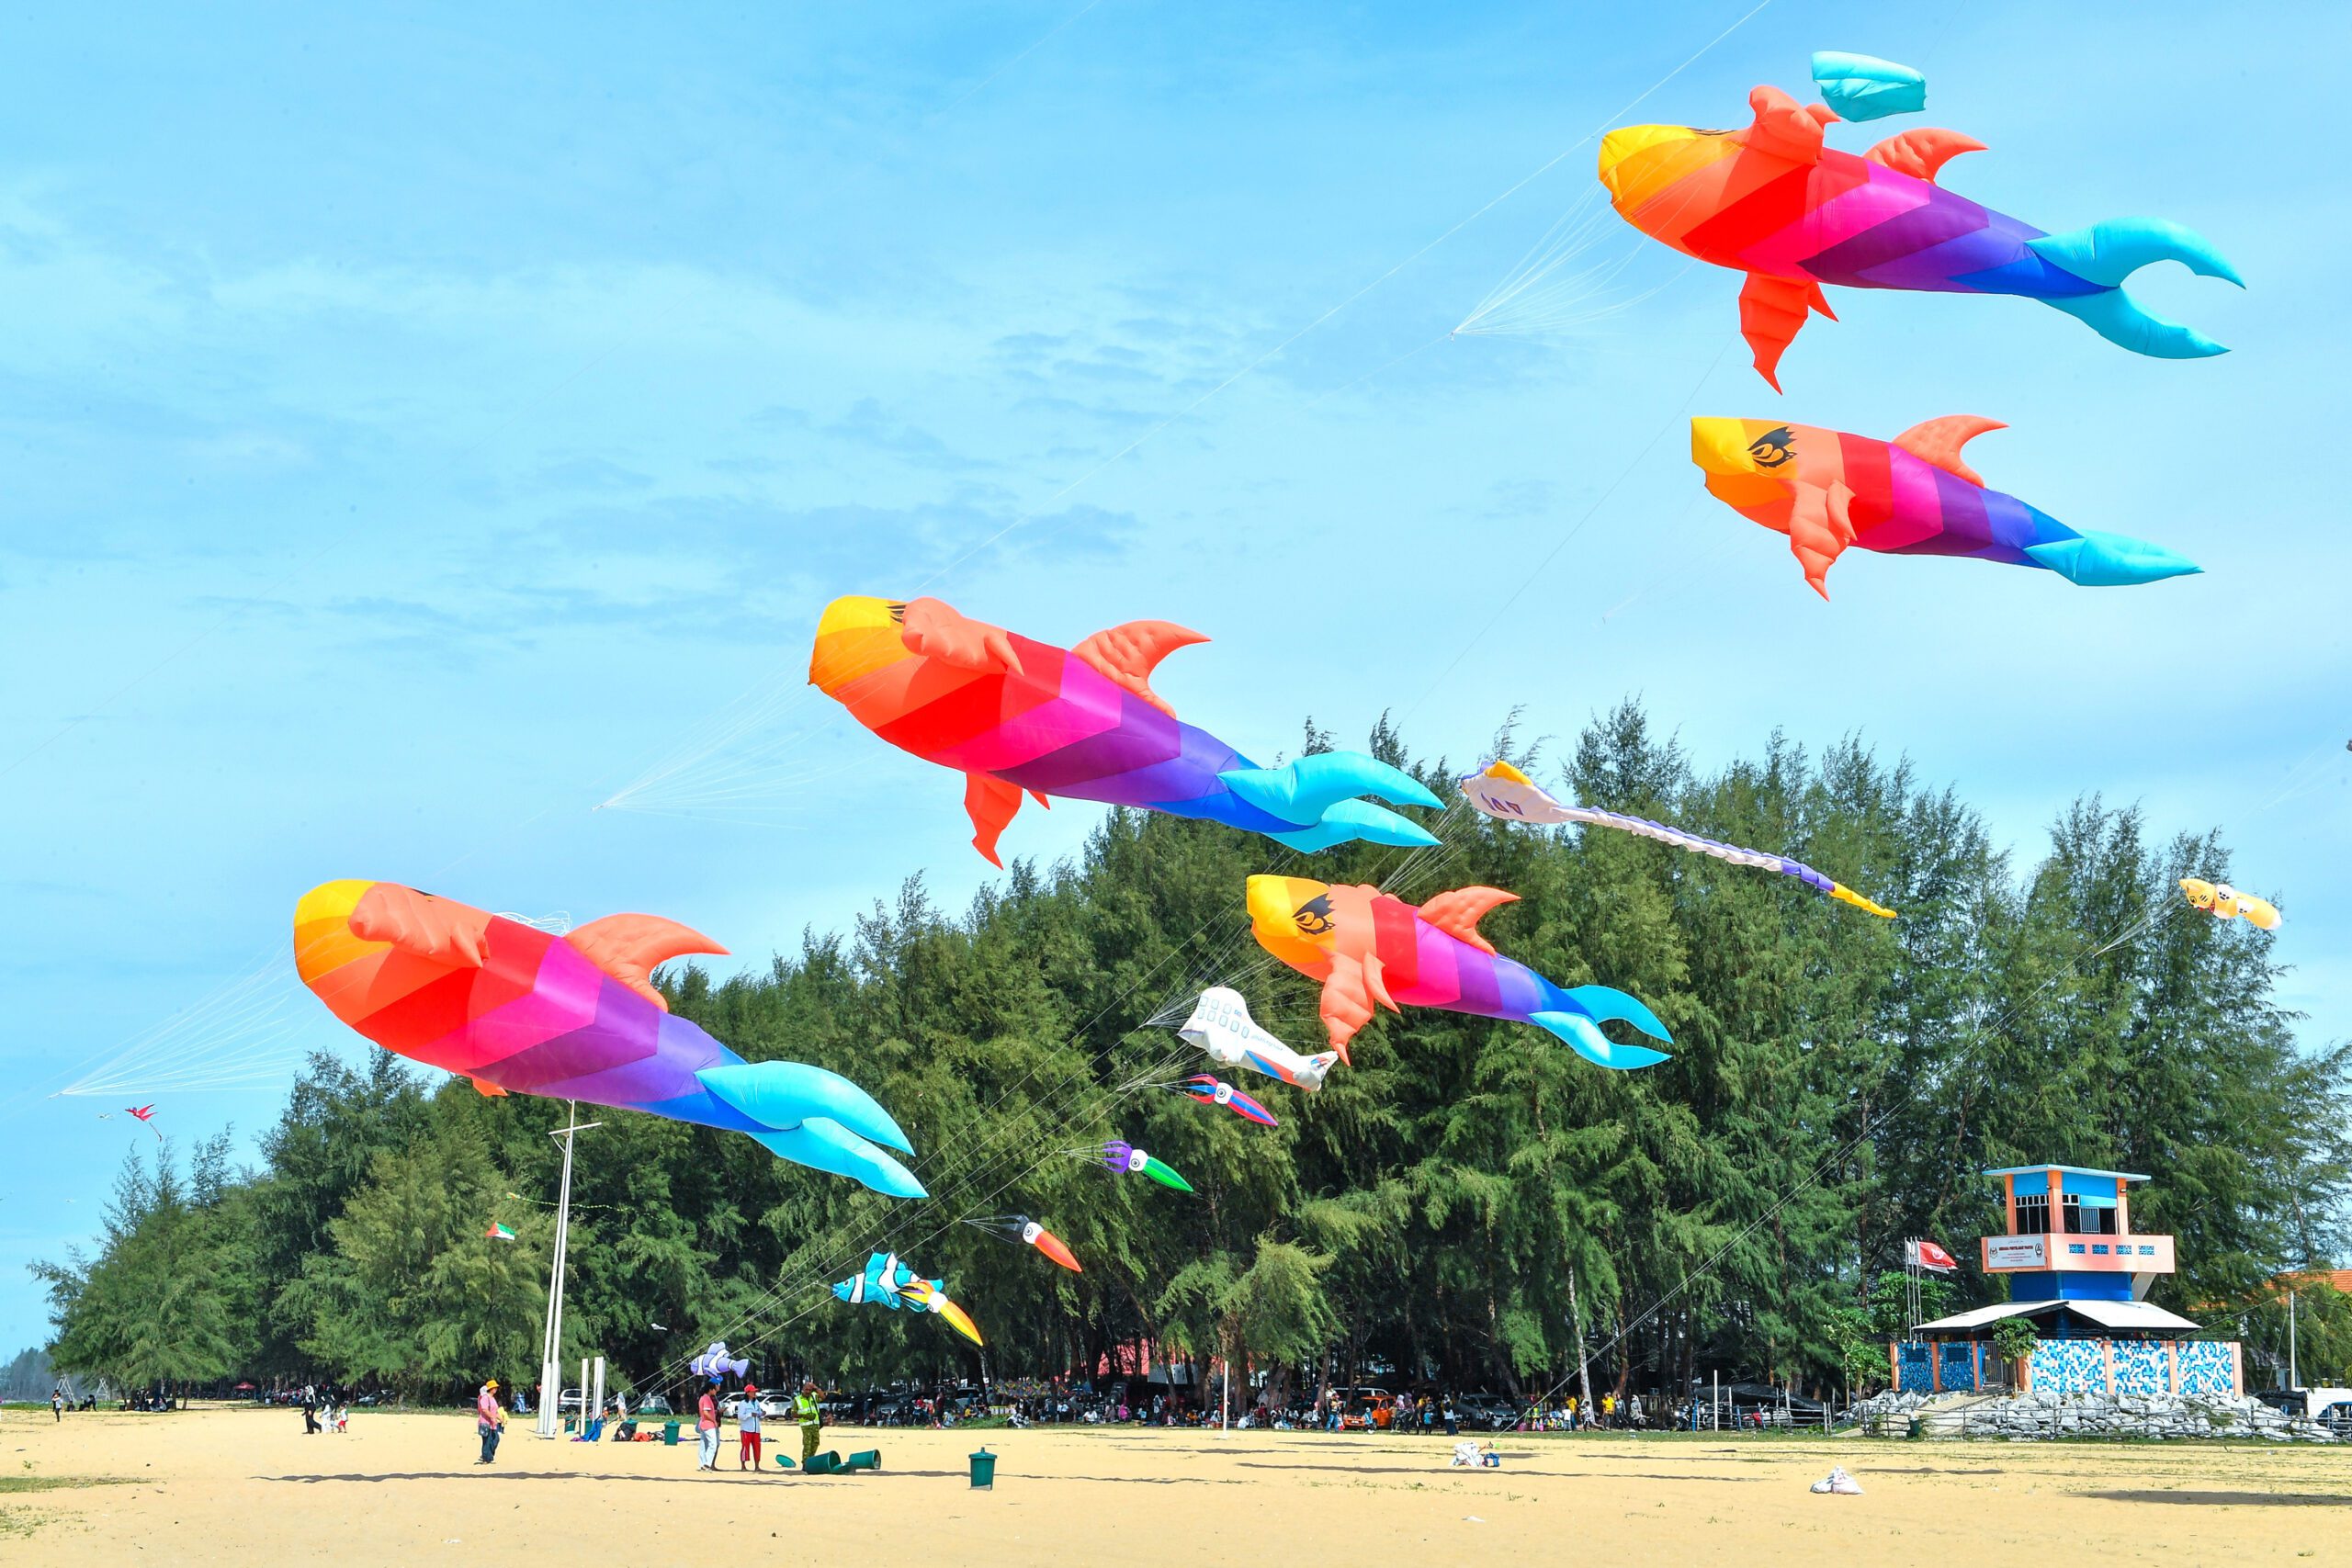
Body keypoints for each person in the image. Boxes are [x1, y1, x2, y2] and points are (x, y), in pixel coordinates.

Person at [476, 1380, 505, 1465]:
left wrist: (500, 1418)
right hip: (485, 1423)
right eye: (494, 1387)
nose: (496, 1389)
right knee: (487, 1441)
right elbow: (484, 1410)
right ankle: (486, 1458)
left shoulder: (493, 1398)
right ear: (490, 1388)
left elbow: (495, 1411)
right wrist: (492, 1417)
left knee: (496, 1439)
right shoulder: (485, 1398)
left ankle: (489, 1455)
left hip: (493, 1424)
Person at [794, 1380, 822, 1466]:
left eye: (810, 1390)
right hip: (806, 1426)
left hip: (815, 1425)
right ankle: (805, 1464)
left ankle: (811, 1461)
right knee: (807, 1445)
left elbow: (823, 1396)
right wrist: (805, 1416)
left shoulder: (813, 1396)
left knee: (815, 1443)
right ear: (802, 1389)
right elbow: (793, 1413)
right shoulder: (798, 1399)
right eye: (806, 1389)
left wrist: (816, 1388)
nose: (808, 1391)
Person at [737, 1385, 763, 1471]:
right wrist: (749, 1415)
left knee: (757, 1447)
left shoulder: (757, 1403)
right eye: (753, 1392)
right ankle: (743, 1466)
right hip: (746, 1429)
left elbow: (758, 1413)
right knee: (745, 1447)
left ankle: (757, 1466)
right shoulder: (743, 1403)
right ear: (748, 1393)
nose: (754, 1393)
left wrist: (761, 1413)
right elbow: (740, 1416)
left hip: (756, 1429)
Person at [696, 1382, 721, 1471]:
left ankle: (702, 1463)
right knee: (713, 1444)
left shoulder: (703, 1398)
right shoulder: (706, 1399)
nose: (715, 1391)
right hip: (708, 1424)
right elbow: (706, 1413)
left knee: (703, 1445)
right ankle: (707, 1464)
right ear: (710, 1390)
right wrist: (714, 1420)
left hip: (704, 1423)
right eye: (714, 1389)